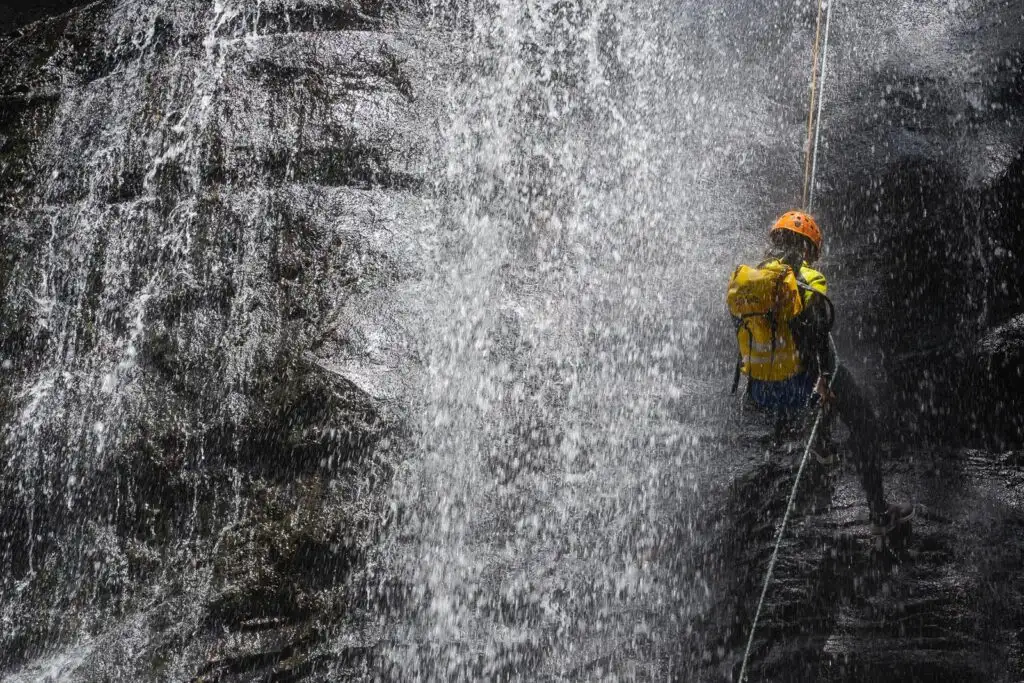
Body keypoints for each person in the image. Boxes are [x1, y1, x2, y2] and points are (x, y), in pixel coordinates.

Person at [729, 210, 913, 540]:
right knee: (863, 419)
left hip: (760, 391)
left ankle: (823, 449)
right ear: (810, 250)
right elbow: (819, 341)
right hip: (800, 389)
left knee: (806, 376)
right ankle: (880, 513)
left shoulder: (749, 280)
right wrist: (825, 382)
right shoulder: (810, 280)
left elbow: (743, 334)